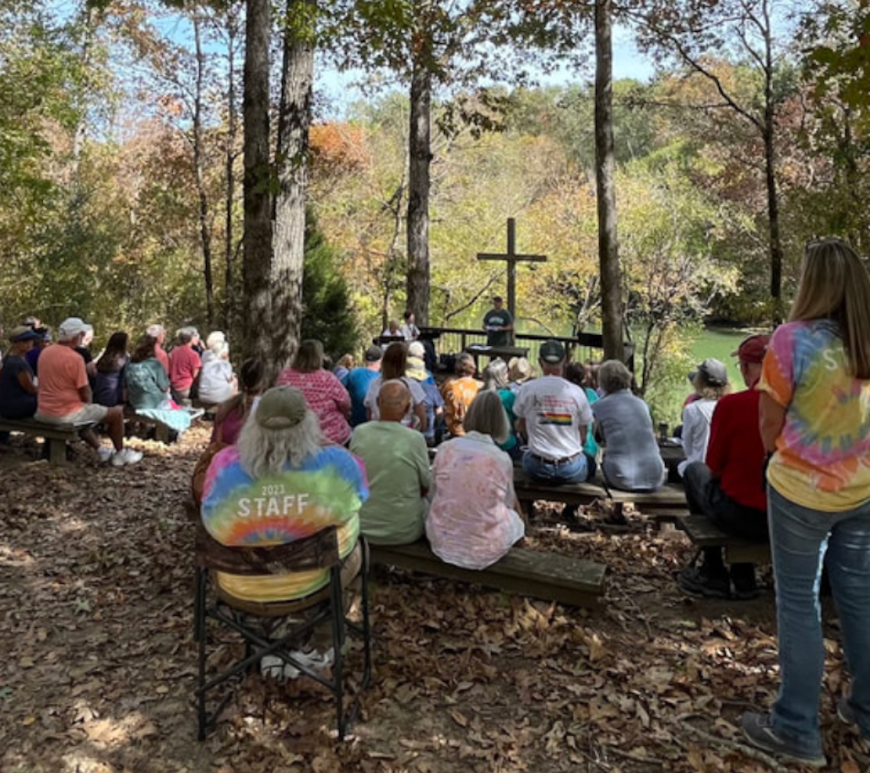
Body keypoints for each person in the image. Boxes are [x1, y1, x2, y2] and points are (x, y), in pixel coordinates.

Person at [740, 239, 870, 768]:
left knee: (799, 604)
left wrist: (781, 453)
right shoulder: (865, 340)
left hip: (800, 490)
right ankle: (864, 710)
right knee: (859, 599)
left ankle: (796, 726)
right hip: (861, 490)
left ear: (810, 282)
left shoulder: (791, 340)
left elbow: (769, 423)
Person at [201, 386, 369, 673]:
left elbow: (211, 519)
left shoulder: (223, 466)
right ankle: (318, 644)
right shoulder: (336, 464)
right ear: (308, 425)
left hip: (237, 587)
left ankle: (268, 645)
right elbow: (359, 497)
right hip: (314, 583)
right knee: (357, 536)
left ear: (253, 425)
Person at [677, 335, 770, 600]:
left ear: (747, 367)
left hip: (740, 516)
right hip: (788, 517)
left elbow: (714, 464)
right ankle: (743, 575)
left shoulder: (732, 405)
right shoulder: (799, 406)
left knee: (696, 472)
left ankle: (713, 570)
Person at [426, 390, 525, 569]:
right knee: (516, 519)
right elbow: (508, 503)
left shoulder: (446, 448)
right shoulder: (500, 458)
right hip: (485, 545)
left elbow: (433, 492)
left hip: (442, 538)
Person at [35, 317, 141, 466]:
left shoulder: (45, 352)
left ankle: (102, 450)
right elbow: (85, 391)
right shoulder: (75, 358)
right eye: (82, 334)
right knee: (116, 413)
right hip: (63, 414)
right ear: (76, 336)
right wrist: (89, 405)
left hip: (43, 411)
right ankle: (120, 453)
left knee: (86, 416)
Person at [350, 380, 430, 544]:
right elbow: (426, 484)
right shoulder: (415, 439)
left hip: (363, 526)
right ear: (408, 408)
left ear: (378, 403)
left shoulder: (360, 433)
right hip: (405, 530)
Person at [513, 340, 595, 488]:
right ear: (564, 361)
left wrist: (531, 440)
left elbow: (520, 425)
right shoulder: (576, 392)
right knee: (590, 462)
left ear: (539, 362)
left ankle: (529, 510)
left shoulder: (527, 389)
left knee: (524, 457)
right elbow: (583, 436)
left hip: (537, 467)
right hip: (571, 468)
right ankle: (571, 509)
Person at [590, 360, 665, 493]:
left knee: (608, 456)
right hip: (656, 476)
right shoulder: (641, 404)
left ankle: (617, 511)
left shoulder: (599, 407)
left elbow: (598, 439)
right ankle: (617, 511)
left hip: (623, 477)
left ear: (602, 382)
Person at [276, 339, 352, 446]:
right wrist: (347, 414)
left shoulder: (284, 376)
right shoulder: (327, 378)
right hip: (330, 438)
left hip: (293, 436)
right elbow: (345, 402)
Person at [677, 358, 729, 477]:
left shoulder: (692, 409)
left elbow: (687, 446)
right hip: (722, 469)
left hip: (698, 469)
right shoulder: (730, 406)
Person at [363, 343, 427, 431]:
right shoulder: (412, 386)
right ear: (405, 363)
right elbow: (422, 420)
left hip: (378, 433)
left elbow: (370, 415)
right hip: (405, 436)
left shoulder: (374, 384)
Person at [211, 359, 267, 446]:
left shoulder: (225, 409)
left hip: (222, 457)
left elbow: (213, 443)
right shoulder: (266, 414)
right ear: (264, 383)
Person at [481, 358, 521, 461]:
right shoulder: (509, 396)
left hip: (483, 444)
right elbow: (518, 425)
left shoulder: (479, 394)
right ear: (502, 376)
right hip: (506, 445)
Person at [0, 326, 41, 419]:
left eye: (31, 340)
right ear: (15, 343)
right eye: (24, 341)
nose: (29, 343)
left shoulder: (8, 359)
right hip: (16, 407)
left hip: (5, 405)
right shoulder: (17, 363)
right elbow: (30, 389)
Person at [125, 334, 175, 410]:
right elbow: (165, 387)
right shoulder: (154, 364)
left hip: (136, 403)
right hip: (155, 403)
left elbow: (125, 390)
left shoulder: (129, 364)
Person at [407, 345, 443, 446]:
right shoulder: (429, 381)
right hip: (426, 435)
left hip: (406, 433)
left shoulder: (400, 384)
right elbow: (439, 407)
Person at [440, 353, 482, 437]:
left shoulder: (449, 384)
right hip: (475, 430)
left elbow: (442, 401)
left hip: (454, 428)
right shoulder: (480, 387)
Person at [565, 362, 599, 465]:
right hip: (590, 447)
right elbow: (595, 422)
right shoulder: (592, 394)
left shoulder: (563, 394)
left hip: (568, 447)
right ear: (584, 377)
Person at [346, 346, 382, 427]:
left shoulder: (352, 373)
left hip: (354, 423)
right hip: (374, 425)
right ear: (381, 361)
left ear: (365, 360)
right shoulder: (382, 379)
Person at [197, 337, 237, 407]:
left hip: (202, 396)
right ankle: (232, 405)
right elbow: (229, 379)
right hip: (218, 397)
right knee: (235, 381)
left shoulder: (206, 362)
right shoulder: (225, 364)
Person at [94, 331, 129, 407]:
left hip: (97, 396)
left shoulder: (103, 359)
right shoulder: (124, 360)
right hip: (114, 398)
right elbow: (124, 382)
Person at [168, 327, 201, 406]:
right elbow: (195, 376)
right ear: (191, 337)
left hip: (173, 388)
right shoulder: (193, 354)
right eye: (196, 336)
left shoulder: (172, 352)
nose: (198, 339)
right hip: (186, 389)